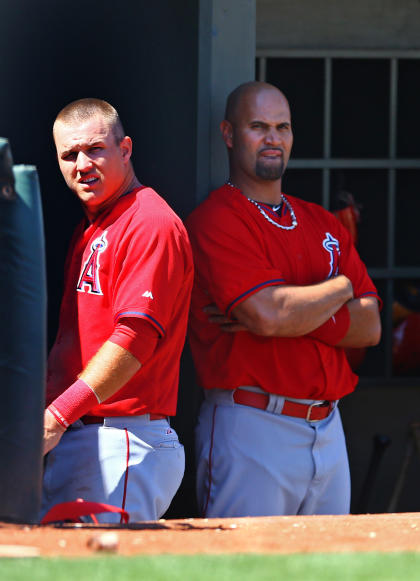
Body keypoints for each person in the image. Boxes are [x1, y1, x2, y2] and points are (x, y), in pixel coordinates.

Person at [185, 81, 382, 517]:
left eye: (282, 127)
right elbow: (268, 315)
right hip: (253, 424)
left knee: (327, 568)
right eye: (258, 126)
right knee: (246, 566)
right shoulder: (216, 218)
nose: (273, 138)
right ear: (229, 134)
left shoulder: (320, 221)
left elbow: (370, 327)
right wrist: (340, 289)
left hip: (328, 426)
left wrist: (294, 310)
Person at [42, 98, 193, 522]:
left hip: (121, 438)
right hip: (86, 435)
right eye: (69, 155)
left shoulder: (148, 220)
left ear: (125, 149)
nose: (82, 164)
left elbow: (135, 337)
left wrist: (55, 417)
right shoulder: (94, 226)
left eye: (95, 149)